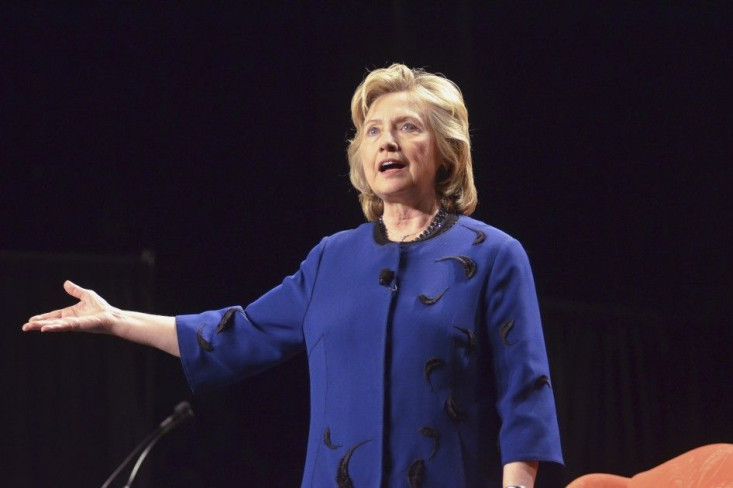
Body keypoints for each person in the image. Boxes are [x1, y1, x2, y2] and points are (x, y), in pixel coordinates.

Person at [23, 63, 563, 487]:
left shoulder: (493, 255)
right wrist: (116, 319)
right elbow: (236, 335)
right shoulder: (334, 258)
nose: (387, 141)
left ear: (446, 151)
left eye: (407, 127)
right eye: (373, 130)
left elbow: (525, 394)